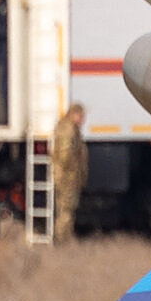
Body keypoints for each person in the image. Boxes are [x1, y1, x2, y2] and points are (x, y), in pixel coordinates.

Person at [51, 103, 87, 242]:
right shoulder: (68, 129)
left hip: (65, 176)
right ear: (74, 114)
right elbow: (65, 155)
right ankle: (61, 239)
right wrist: (73, 172)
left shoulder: (68, 128)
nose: (82, 119)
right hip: (66, 177)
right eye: (81, 115)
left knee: (66, 209)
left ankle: (63, 237)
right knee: (66, 210)